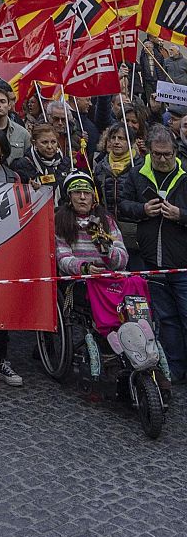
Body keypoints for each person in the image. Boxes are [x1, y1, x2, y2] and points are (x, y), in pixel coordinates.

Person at [118, 126, 187, 383]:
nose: (162, 159)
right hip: (151, 261)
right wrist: (142, 209)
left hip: (182, 262)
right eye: (157, 154)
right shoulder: (137, 174)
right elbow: (122, 206)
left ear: (175, 152)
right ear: (148, 152)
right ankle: (176, 370)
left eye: (167, 154)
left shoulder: (185, 174)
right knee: (166, 319)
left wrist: (181, 215)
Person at [58, 171, 145, 350]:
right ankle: (110, 343)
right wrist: (85, 268)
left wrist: (105, 248)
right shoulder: (60, 222)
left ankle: (142, 339)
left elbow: (122, 259)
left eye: (87, 193)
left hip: (108, 278)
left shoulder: (106, 221)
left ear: (93, 196)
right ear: (69, 197)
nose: (82, 197)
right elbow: (63, 258)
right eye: (77, 192)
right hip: (82, 282)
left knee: (137, 283)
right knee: (100, 291)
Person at [13, 123, 72, 189]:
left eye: (53, 142)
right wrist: (30, 189)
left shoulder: (66, 163)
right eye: (44, 142)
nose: (50, 146)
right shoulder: (23, 165)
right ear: (34, 143)